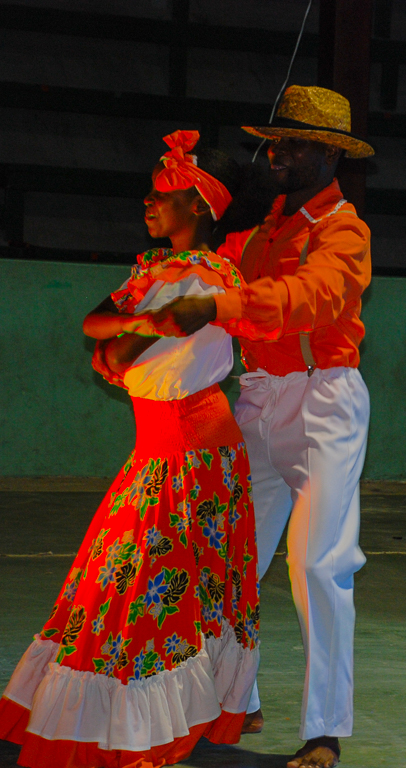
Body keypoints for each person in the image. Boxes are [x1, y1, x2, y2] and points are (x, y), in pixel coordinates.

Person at [0, 130, 267, 768]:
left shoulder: (202, 279)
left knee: (143, 586)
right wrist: (142, 321)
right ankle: (155, 713)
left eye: (161, 194)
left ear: (198, 205)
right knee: (140, 584)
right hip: (164, 451)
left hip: (190, 454)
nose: (147, 202)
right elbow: (95, 324)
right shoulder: (154, 272)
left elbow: (114, 353)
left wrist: (129, 329)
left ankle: (147, 723)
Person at [150, 85, 373, 768]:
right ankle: (227, 705)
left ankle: (325, 732)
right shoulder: (258, 229)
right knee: (222, 553)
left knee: (317, 564)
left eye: (294, 143)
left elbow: (313, 296)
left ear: (330, 155)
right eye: (275, 141)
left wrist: (222, 303)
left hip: (323, 399)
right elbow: (205, 270)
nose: (277, 153)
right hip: (256, 398)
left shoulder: (344, 228)